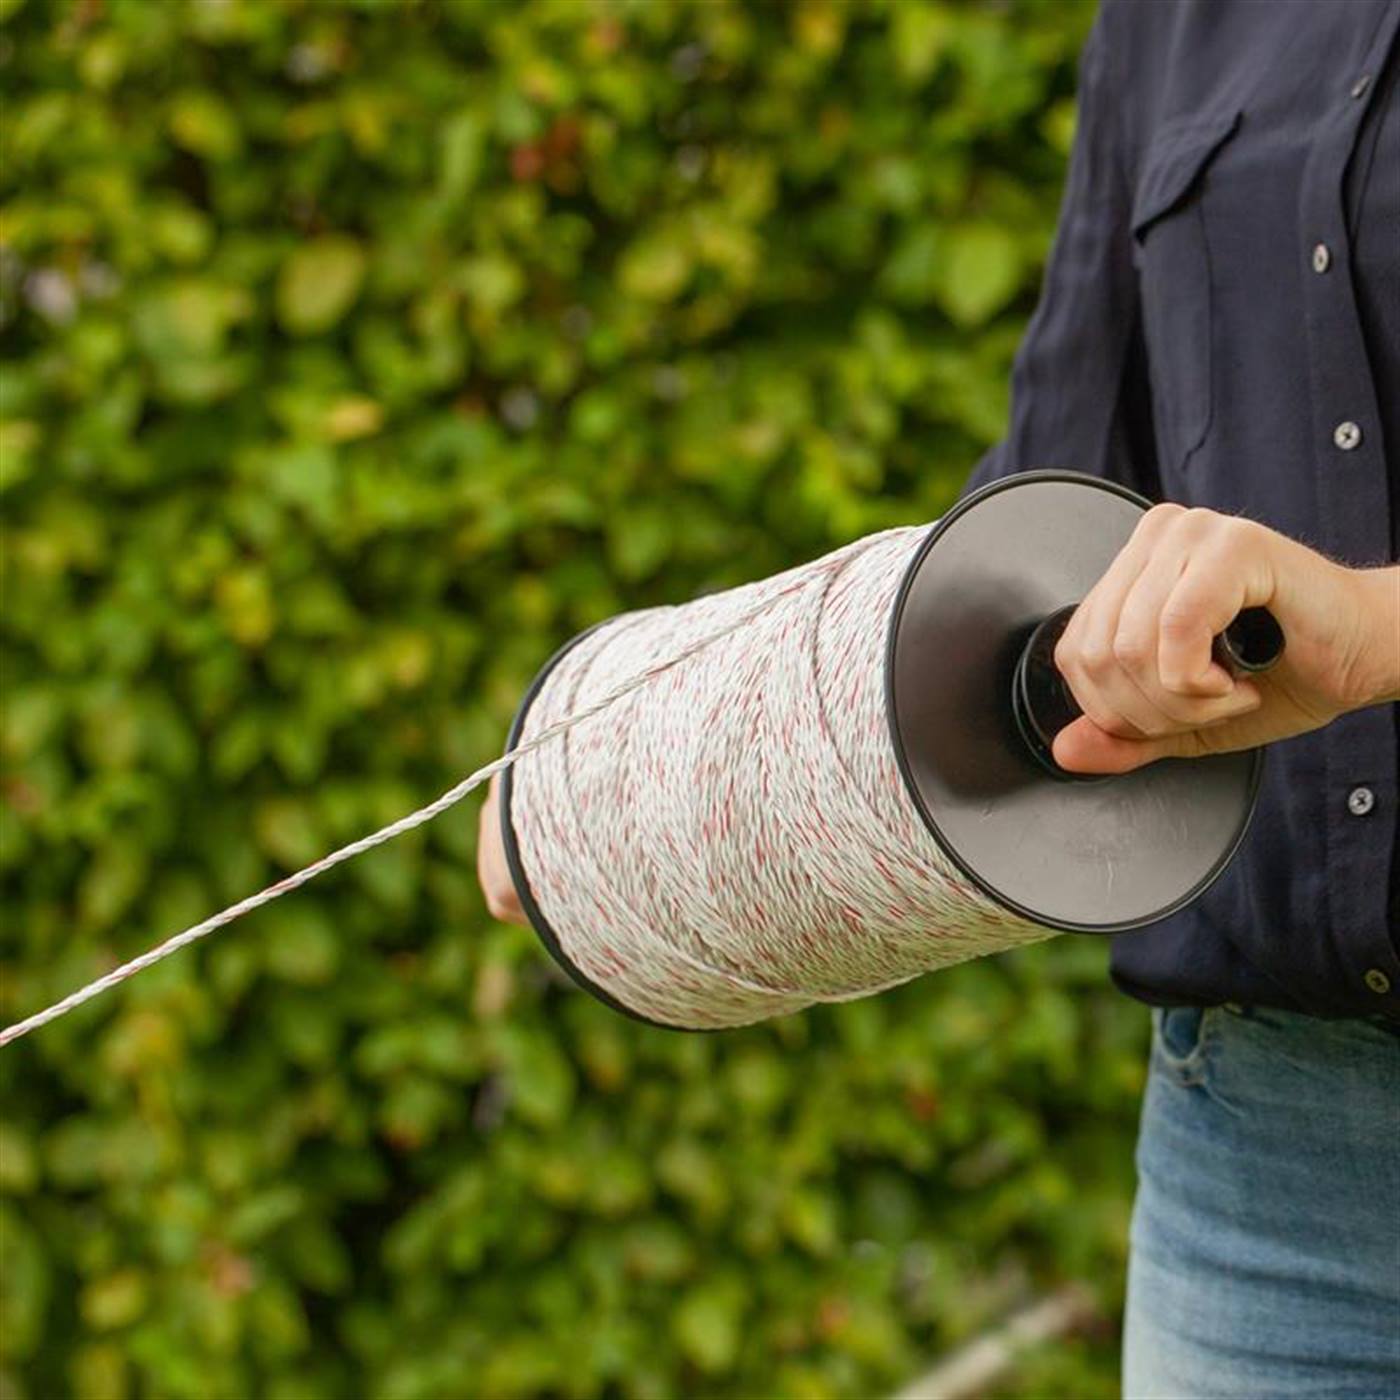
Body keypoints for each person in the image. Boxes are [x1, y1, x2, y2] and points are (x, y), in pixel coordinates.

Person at [479, 1, 1400, 1393]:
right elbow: (1032, 526)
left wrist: (1377, 626)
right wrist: (603, 787)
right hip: (1262, 1173)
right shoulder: (1171, 21)